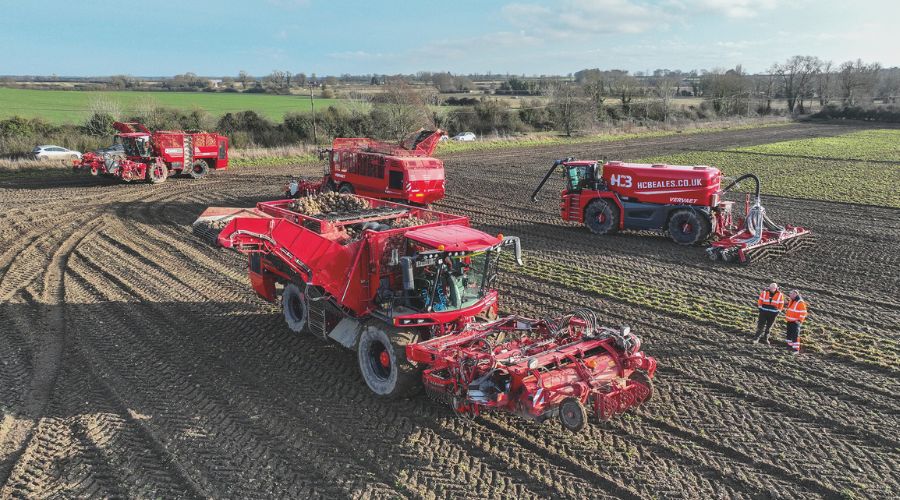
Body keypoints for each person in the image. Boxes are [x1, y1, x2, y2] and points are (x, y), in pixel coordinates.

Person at [785, 290, 808, 355]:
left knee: (795, 335)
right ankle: (789, 347)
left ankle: (796, 349)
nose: (790, 295)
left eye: (791, 294)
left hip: (795, 321)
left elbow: (803, 312)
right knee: (789, 335)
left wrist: (799, 321)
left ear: (795, 294)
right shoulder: (792, 300)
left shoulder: (800, 302)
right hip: (789, 321)